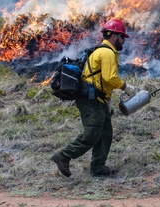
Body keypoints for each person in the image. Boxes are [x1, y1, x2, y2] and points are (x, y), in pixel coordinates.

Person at [51, 19, 137, 178]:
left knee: (105, 134)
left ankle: (98, 167)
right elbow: (110, 77)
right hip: (90, 99)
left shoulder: (105, 51)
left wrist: (108, 100)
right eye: (122, 37)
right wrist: (127, 88)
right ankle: (63, 156)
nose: (124, 40)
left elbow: (104, 80)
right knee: (92, 133)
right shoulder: (107, 52)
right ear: (113, 36)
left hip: (98, 99)